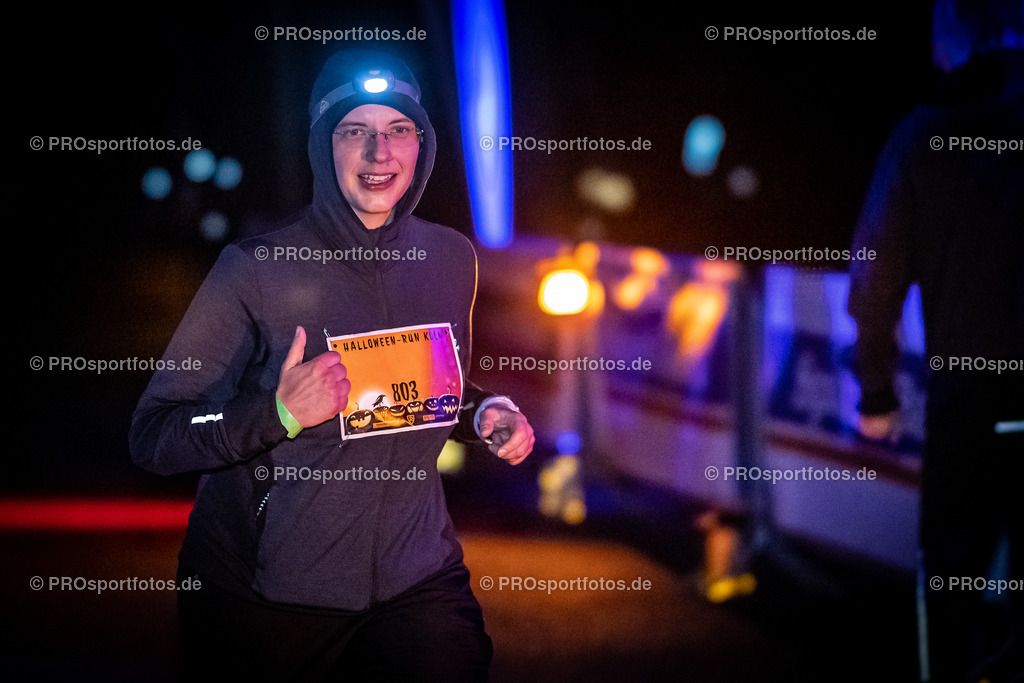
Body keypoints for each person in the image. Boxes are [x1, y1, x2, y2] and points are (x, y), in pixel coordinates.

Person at [129, 48, 534, 682]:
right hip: (265, 599)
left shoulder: (451, 259)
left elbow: (424, 388)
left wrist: (485, 410)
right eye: (355, 132)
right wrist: (279, 412)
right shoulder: (256, 267)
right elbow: (155, 436)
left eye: (399, 129)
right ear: (324, 147)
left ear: (422, 146)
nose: (380, 153)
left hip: (417, 580)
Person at [847, 2, 1023, 681]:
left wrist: (877, 389)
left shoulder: (924, 132)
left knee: (951, 577)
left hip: (971, 398)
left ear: (949, 43)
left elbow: (876, 268)